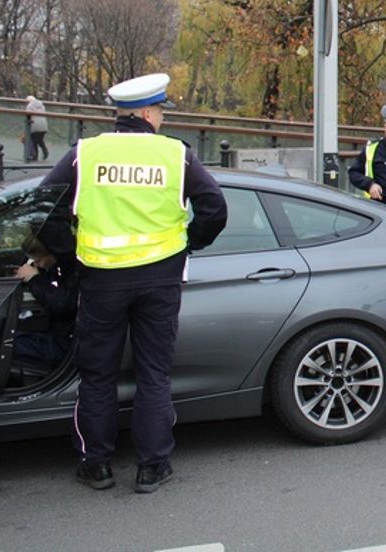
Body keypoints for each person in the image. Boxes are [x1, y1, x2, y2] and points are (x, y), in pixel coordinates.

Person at [41, 73, 227, 493]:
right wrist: (185, 245)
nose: (161, 118)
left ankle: (96, 465)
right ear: (146, 112)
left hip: (101, 281)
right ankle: (152, 467)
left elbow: (42, 210)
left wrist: (70, 256)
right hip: (160, 280)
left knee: (98, 376)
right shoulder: (175, 155)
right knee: (154, 374)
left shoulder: (86, 153)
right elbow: (215, 209)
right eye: (160, 111)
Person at [13, 234, 78, 371]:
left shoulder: (72, 271)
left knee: (7, 347)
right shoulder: (57, 268)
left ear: (53, 254)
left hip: (65, 343)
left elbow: (61, 303)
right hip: (57, 333)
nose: (36, 265)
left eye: (39, 260)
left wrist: (33, 279)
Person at [25, 95, 50, 161]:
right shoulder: (42, 105)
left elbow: (27, 115)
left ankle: (33, 155)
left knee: (32, 140)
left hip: (34, 125)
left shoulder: (29, 106)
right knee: (39, 140)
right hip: (43, 125)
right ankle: (44, 151)